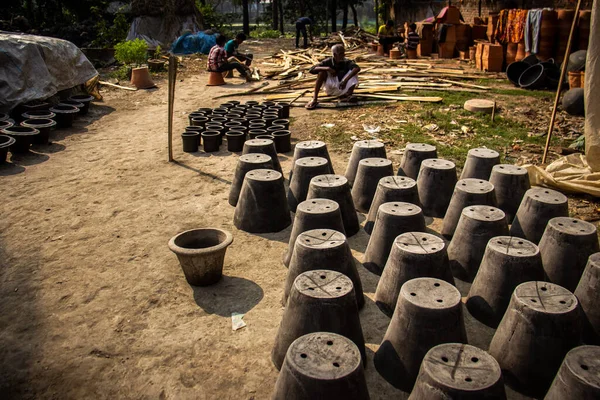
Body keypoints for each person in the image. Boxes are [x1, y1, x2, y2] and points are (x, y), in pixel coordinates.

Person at [305, 44, 361, 110]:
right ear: (334, 55)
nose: (343, 55)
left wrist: (345, 80)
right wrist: (327, 68)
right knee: (321, 72)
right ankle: (314, 99)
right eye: (340, 54)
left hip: (343, 88)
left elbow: (357, 68)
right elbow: (311, 69)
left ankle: (347, 96)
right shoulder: (328, 62)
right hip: (330, 88)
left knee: (354, 72)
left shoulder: (346, 61)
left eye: (343, 53)